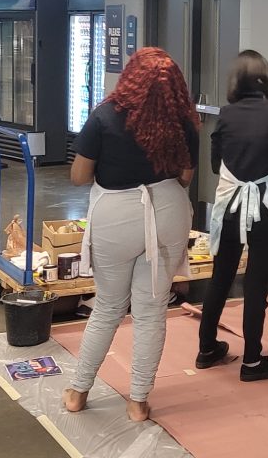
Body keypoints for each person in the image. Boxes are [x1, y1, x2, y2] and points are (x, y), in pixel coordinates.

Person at [62, 48, 199, 422]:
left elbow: (79, 177)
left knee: (107, 307)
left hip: (117, 212)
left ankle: (77, 392)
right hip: (169, 209)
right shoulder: (183, 122)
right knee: (152, 310)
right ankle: (138, 401)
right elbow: (186, 176)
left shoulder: (105, 116)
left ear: (130, 77)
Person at [196, 51, 268, 382]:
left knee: (221, 277)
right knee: (256, 284)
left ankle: (207, 348)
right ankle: (252, 362)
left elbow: (215, 164)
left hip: (228, 205)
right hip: (265, 206)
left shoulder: (226, 115)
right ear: (267, 78)